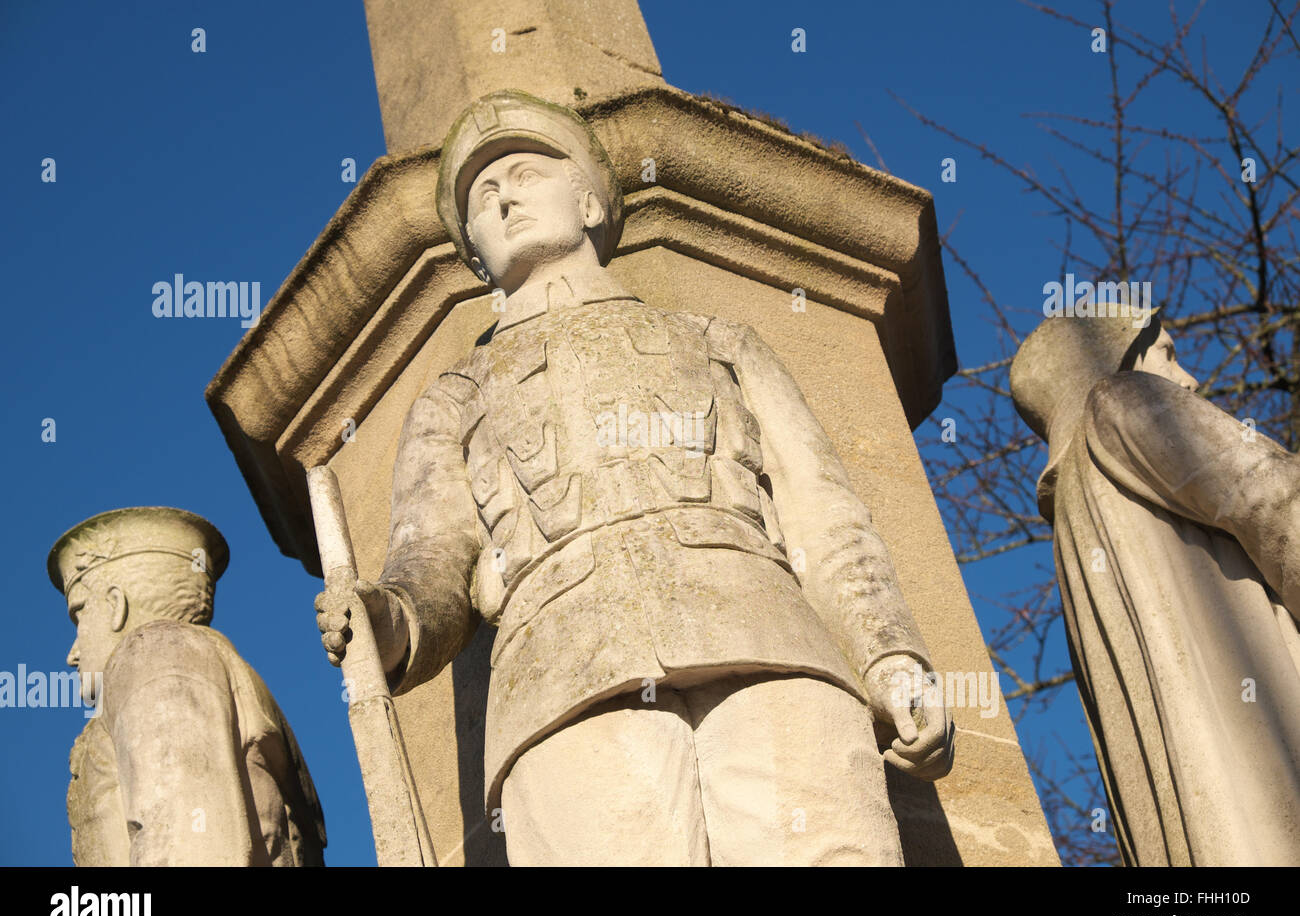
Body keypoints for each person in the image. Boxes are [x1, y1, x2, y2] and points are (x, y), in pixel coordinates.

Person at [317, 90, 953, 865]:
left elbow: (826, 518)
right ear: (475, 252)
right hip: (563, 686)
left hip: (772, 645)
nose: (505, 198)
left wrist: (889, 654)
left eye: (523, 174)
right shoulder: (454, 397)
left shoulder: (718, 341)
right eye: (483, 198)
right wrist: (386, 623)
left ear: (588, 200)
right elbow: (432, 564)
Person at [1011, 305, 1300, 865]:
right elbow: (1273, 497)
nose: (1190, 379)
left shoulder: (1073, 516)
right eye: (1168, 353)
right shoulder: (1124, 398)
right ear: (1114, 356)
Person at [50, 507, 325, 866]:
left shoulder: (155, 654)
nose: (73, 654)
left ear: (116, 605)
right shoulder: (206, 661)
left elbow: (187, 843)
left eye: (79, 614)